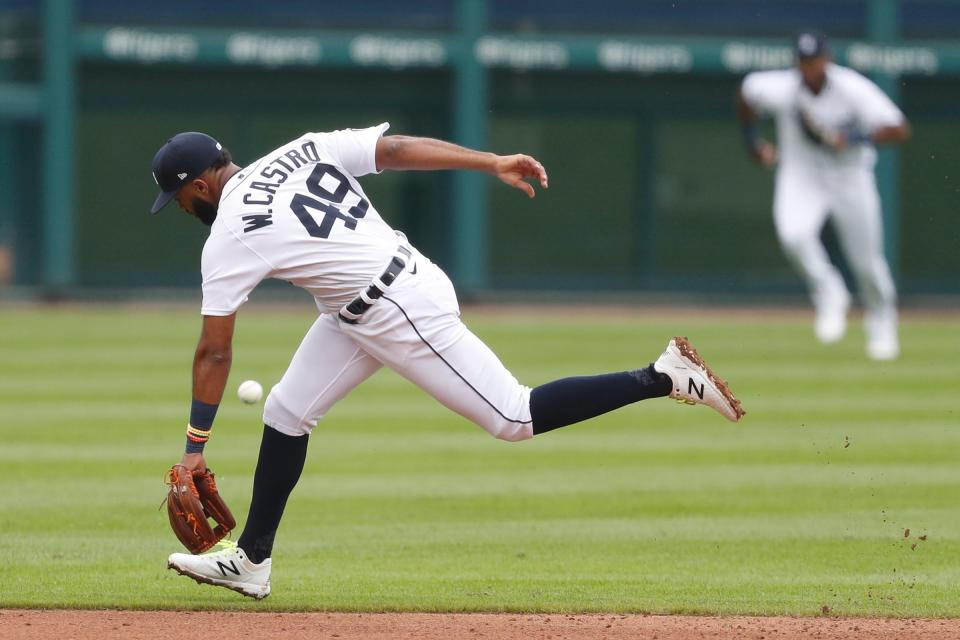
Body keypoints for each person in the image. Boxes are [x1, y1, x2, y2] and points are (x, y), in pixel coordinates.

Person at [150, 124, 744, 599]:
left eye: (176, 197)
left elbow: (215, 349)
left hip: (397, 310)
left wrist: (194, 446)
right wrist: (490, 162)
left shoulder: (228, 231)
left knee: (514, 417)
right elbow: (397, 148)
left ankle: (663, 375)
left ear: (198, 185)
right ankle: (253, 562)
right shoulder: (301, 149)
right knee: (285, 410)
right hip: (372, 297)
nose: (178, 208)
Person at [736, 30, 911, 360]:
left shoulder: (852, 88)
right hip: (801, 176)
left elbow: (899, 128)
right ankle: (830, 292)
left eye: (814, 61)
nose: (809, 69)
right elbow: (746, 94)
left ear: (827, 59)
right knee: (793, 235)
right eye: (803, 62)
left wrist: (854, 137)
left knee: (867, 262)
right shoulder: (783, 88)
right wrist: (752, 143)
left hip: (851, 178)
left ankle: (882, 322)